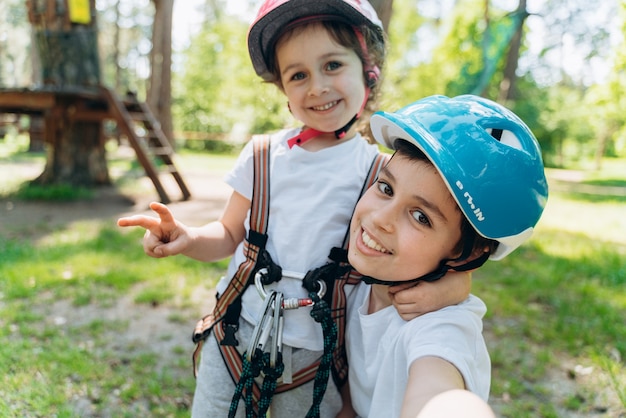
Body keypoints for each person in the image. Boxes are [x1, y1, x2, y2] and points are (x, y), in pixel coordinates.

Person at [118, 1, 471, 417]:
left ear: (368, 71)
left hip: (317, 352)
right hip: (235, 330)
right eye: (298, 75)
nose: (317, 86)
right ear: (284, 91)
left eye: (333, 65)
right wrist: (189, 237)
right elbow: (231, 234)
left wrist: (454, 287)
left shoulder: (380, 177)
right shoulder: (262, 155)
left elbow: (410, 256)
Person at [345, 94, 548, 418]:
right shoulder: (359, 279)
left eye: (420, 216)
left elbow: (439, 392)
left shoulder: (440, 324)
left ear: (464, 253)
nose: (382, 218)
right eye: (386, 189)